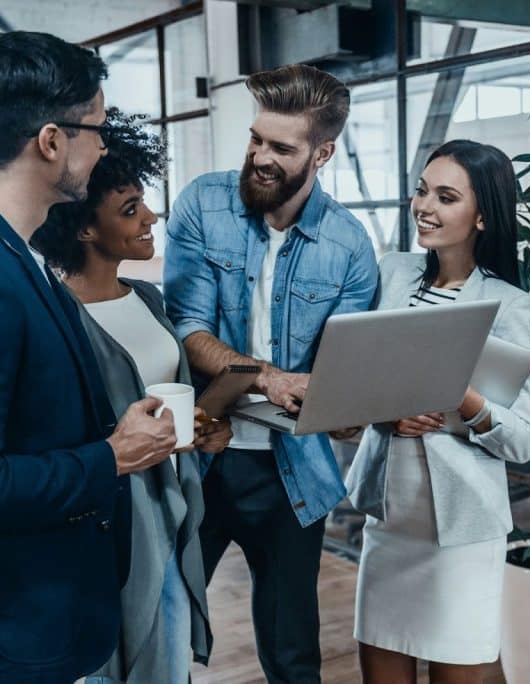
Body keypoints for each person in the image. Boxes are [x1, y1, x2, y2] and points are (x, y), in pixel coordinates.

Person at [0, 32, 178, 683]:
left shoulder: (10, 252)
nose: (104, 147)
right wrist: (114, 455)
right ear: (52, 141)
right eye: (97, 130)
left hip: (42, 618)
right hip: (4, 635)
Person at [162, 63, 379, 682]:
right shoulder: (204, 204)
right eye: (256, 138)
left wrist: (346, 412)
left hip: (294, 473)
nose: (259, 156)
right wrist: (272, 379)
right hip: (199, 457)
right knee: (163, 630)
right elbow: (187, 330)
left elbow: (343, 370)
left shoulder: (348, 245)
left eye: (281, 148)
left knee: (293, 656)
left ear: (323, 153)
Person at [30, 108, 233, 684]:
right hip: (105, 528)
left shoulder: (147, 299)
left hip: (168, 510)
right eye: (130, 210)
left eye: (144, 202)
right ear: (85, 229)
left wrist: (204, 433)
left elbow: (165, 404)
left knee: (166, 659)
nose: (150, 218)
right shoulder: (55, 318)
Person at [345, 140, 530, 683]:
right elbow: (354, 377)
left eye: (446, 196)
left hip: (461, 535)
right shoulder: (392, 274)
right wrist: (384, 412)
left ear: (482, 217)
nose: (424, 206)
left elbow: (526, 442)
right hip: (388, 526)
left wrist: (469, 402)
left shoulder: (508, 304)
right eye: (421, 190)